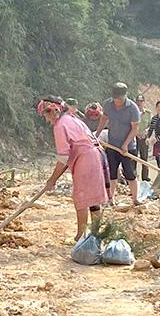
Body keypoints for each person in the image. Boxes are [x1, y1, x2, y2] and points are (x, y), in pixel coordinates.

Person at [37, 97, 108, 240]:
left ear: (51, 111)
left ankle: (81, 235)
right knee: (93, 198)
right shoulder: (72, 118)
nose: (46, 120)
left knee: (81, 197)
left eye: (45, 115)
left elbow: (63, 158)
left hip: (86, 158)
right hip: (96, 155)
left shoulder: (60, 125)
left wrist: (52, 180)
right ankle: (95, 233)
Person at [97, 82, 142, 207]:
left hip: (128, 148)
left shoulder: (133, 108)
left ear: (124, 96)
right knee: (112, 173)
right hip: (112, 145)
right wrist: (97, 134)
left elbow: (134, 129)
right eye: (115, 98)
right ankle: (110, 199)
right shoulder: (108, 104)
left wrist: (126, 144)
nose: (117, 101)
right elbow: (103, 119)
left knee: (130, 174)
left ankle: (135, 199)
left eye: (119, 99)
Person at [134, 93, 152, 182]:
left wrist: (147, 131)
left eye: (141, 101)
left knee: (144, 157)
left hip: (144, 138)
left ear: (144, 102)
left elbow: (151, 125)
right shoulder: (133, 113)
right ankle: (132, 176)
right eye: (138, 101)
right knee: (133, 157)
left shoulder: (148, 113)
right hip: (134, 137)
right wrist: (135, 133)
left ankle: (145, 177)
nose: (139, 103)